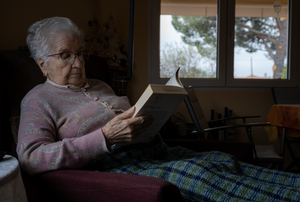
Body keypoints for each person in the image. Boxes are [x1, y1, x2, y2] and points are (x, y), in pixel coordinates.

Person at [17, 17, 300, 202]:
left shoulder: (100, 84)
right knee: (202, 176)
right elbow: (31, 157)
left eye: (80, 54)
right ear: (42, 63)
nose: (78, 63)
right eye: (66, 55)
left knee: (220, 160)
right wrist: (104, 137)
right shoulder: (38, 100)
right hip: (123, 166)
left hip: (161, 152)